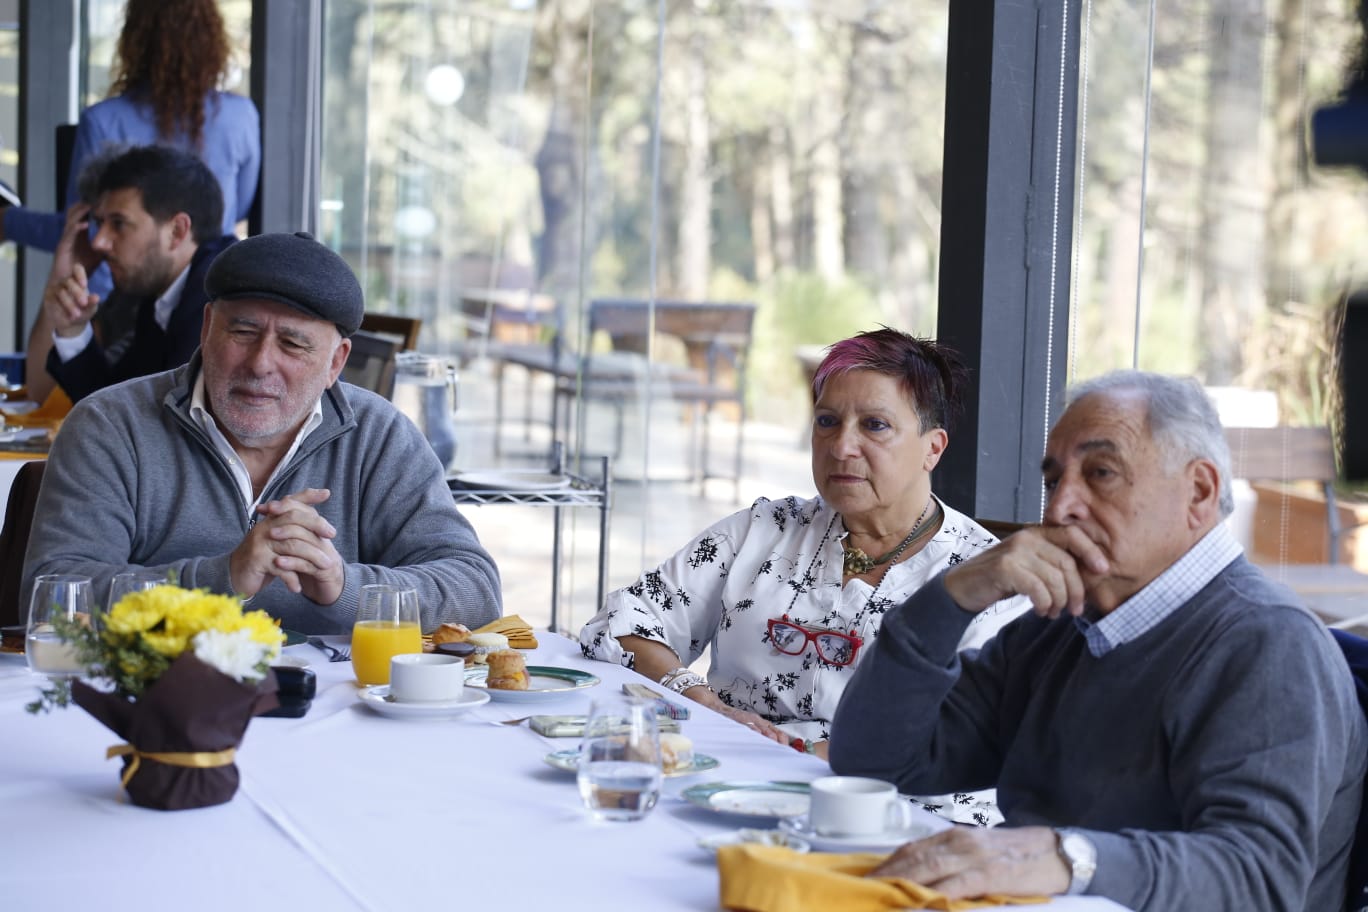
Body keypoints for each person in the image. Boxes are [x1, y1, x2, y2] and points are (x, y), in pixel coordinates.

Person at [829, 371, 1367, 910]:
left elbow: (1257, 881)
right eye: (1053, 479)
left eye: (1101, 473)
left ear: (1199, 492)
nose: (1061, 508)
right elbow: (874, 761)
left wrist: (1063, 858)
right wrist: (951, 598)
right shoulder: (1060, 626)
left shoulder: (1268, 646)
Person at [579, 328, 1027, 763]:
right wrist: (704, 703)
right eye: (827, 422)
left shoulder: (982, 578)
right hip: (727, 779)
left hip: (885, 807)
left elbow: (965, 733)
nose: (841, 446)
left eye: (875, 425)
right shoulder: (765, 530)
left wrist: (788, 755)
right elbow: (625, 621)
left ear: (933, 448)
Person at [23, 231, 502, 635]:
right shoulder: (110, 425)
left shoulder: (380, 437)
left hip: (343, 723)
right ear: (208, 326)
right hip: (149, 710)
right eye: (243, 333)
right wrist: (222, 577)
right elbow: (52, 597)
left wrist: (344, 587)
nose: (260, 364)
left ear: (336, 362)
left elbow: (475, 589)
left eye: (293, 344)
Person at [1, 0, 258, 298]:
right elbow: (236, 207)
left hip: (115, 304)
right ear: (211, 38)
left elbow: (83, 231)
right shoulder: (241, 117)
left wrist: (8, 221)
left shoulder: (103, 121)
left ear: (134, 38)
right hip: (208, 291)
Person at [24, 144, 235, 405]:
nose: (98, 242)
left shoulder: (221, 297)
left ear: (177, 231)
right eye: (100, 224)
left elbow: (151, 423)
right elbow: (112, 405)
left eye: (119, 223)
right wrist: (74, 331)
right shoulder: (159, 294)